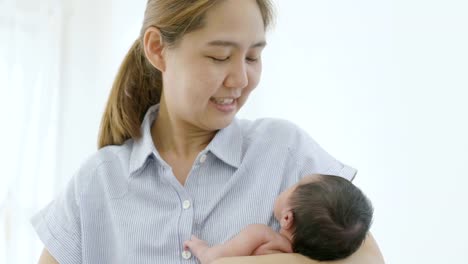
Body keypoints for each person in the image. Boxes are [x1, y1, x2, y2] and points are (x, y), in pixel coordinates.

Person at [32, 0, 384, 263]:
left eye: (252, 58)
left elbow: (367, 259)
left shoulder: (285, 151)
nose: (242, 80)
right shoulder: (97, 183)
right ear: (157, 49)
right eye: (219, 57)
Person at [184, 174, 374, 263]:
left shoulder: (260, 235)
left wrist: (201, 247)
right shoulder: (310, 258)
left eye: (295, 185)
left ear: (286, 218)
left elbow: (214, 259)